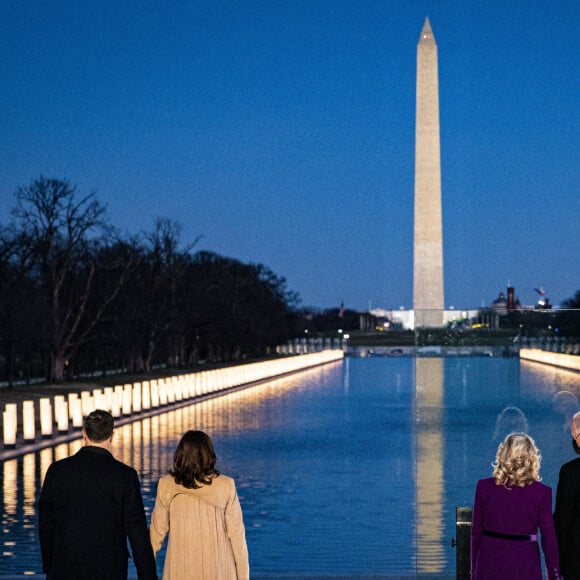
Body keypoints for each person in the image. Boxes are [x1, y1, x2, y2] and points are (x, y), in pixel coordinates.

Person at [38, 409, 157, 580]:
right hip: (109, 568)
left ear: (84, 434)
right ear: (112, 436)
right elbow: (136, 532)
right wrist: (147, 575)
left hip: (64, 566)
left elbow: (46, 524)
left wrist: (50, 565)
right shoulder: (125, 475)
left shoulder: (57, 471)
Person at [150, 430, 249, 580]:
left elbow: (155, 535)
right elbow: (237, 539)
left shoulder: (166, 486)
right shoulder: (226, 486)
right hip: (220, 571)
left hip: (180, 570)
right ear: (209, 454)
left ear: (180, 454)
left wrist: (144, 568)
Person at [470, 432, 561, 580]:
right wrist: (555, 575)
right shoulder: (542, 492)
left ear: (503, 455)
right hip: (525, 563)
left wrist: (474, 571)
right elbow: (548, 538)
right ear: (532, 457)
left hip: (489, 563)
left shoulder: (484, 487)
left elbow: (476, 534)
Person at [554, 411, 580, 578]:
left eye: (574, 434)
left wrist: (559, 562)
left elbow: (563, 521)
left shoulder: (570, 472)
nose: (573, 438)